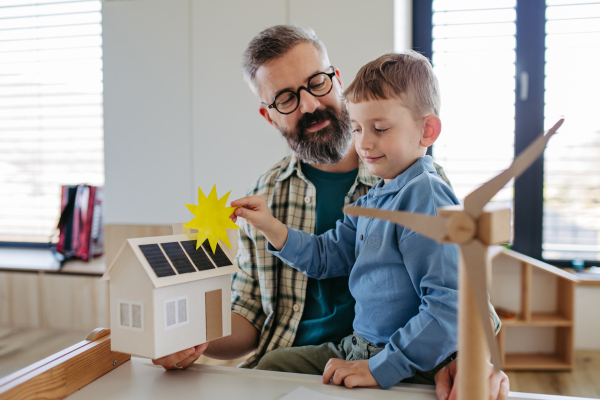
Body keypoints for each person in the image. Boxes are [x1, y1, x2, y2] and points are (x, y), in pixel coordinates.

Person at [152, 25, 509, 399]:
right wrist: (193, 335)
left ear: (337, 80)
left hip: (390, 366)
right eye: (286, 98)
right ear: (269, 116)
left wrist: (472, 359)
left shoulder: (418, 182)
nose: (308, 105)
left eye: (316, 83)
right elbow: (258, 303)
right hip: (314, 362)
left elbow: (461, 301)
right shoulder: (267, 194)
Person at [229, 51, 459, 389]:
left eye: (379, 129)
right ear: (269, 116)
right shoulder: (377, 196)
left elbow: (452, 303)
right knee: (272, 364)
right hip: (357, 347)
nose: (364, 143)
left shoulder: (427, 196)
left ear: (427, 130)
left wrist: (383, 366)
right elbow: (324, 256)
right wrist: (269, 225)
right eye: (357, 129)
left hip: (400, 359)